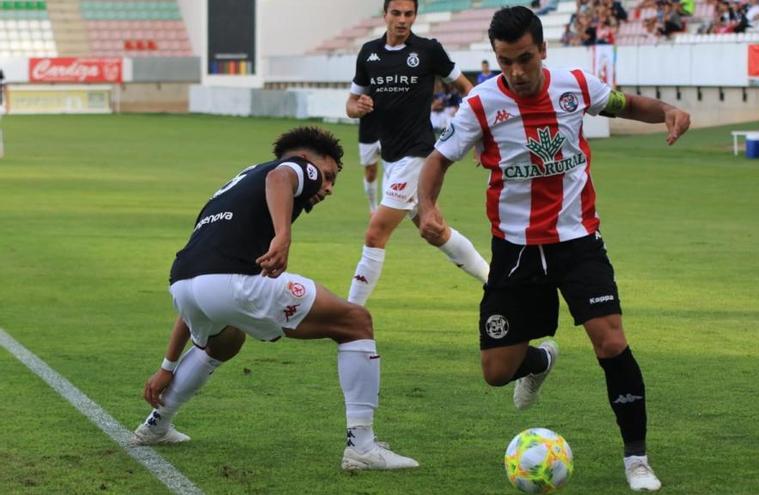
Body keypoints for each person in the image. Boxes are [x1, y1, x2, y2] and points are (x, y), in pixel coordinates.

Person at [418, 7, 691, 492]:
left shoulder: (576, 86)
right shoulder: (480, 105)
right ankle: (539, 362)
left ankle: (637, 460)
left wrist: (666, 111)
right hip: (516, 251)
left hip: (577, 242)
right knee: (496, 372)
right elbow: (438, 160)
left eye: (525, 58)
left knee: (610, 342)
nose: (517, 72)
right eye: (506, 62)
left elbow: (626, 104)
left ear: (543, 50)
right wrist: (428, 206)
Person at [132, 126, 419, 471]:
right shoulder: (295, 167)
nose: (326, 188)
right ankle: (362, 446)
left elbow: (203, 284)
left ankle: (155, 425)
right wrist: (284, 236)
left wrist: (167, 367)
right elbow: (283, 178)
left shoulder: (239, 182)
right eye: (328, 177)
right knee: (356, 322)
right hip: (231, 282)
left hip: (184, 285)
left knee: (225, 340)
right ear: (309, 158)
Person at [345, 0, 490, 307]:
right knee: (434, 230)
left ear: (415, 16)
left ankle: (350, 314)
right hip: (392, 158)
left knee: (375, 233)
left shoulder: (428, 50)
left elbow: (469, 89)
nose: (402, 20)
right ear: (385, 15)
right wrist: (357, 108)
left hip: (419, 154)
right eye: (396, 13)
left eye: (408, 14)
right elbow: (351, 103)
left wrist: (481, 135)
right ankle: (495, 282)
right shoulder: (369, 53)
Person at [358, 112, 382, 214]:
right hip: (368, 132)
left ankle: (391, 207)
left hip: (390, 131)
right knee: (371, 173)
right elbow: (352, 109)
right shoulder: (363, 95)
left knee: (393, 167)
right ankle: (373, 208)